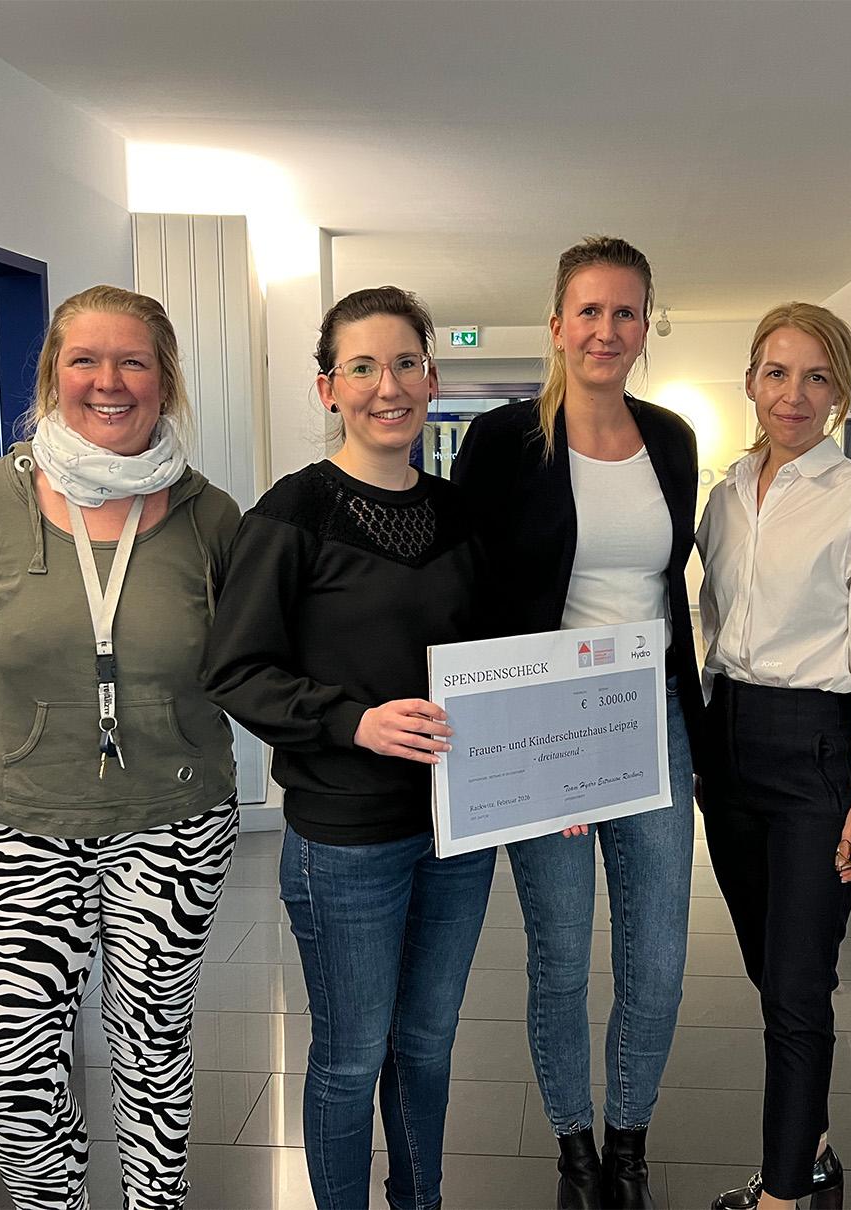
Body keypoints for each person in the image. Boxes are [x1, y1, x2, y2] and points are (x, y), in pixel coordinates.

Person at [0, 285, 242, 1210]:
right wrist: (31, 739)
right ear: (51, 376)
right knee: (0, 1053)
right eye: (85, 361)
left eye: (133, 361)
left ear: (164, 380)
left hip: (174, 816)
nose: (109, 381)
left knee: (150, 1044)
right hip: (25, 815)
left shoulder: (210, 515)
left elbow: (243, 660)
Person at [201, 286, 495, 1210]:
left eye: (405, 363)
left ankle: (419, 1202)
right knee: (352, 1054)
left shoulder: (459, 515)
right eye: (361, 367)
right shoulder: (293, 512)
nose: (387, 386)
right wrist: (352, 721)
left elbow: (497, 659)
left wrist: (549, 777)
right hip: (345, 837)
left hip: (458, 829)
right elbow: (235, 668)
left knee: (428, 1045)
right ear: (328, 387)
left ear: (432, 380)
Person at [453, 236, 701, 1210]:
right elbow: (466, 589)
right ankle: (574, 1150)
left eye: (624, 311)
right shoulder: (503, 441)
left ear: (644, 326)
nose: (606, 330)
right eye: (588, 311)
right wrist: (507, 746)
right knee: (559, 955)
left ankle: (628, 1142)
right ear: (555, 325)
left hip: (650, 723)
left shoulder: (671, 439)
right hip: (544, 727)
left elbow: (666, 586)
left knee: (658, 960)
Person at [696, 303, 851, 1210]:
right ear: (750, 381)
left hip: (817, 758)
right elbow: (711, 624)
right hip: (729, 752)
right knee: (770, 970)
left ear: (840, 394)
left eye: (816, 377)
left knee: (797, 987)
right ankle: (815, 1145)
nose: (792, 395)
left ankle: (783, 1195)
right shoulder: (725, 496)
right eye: (776, 373)